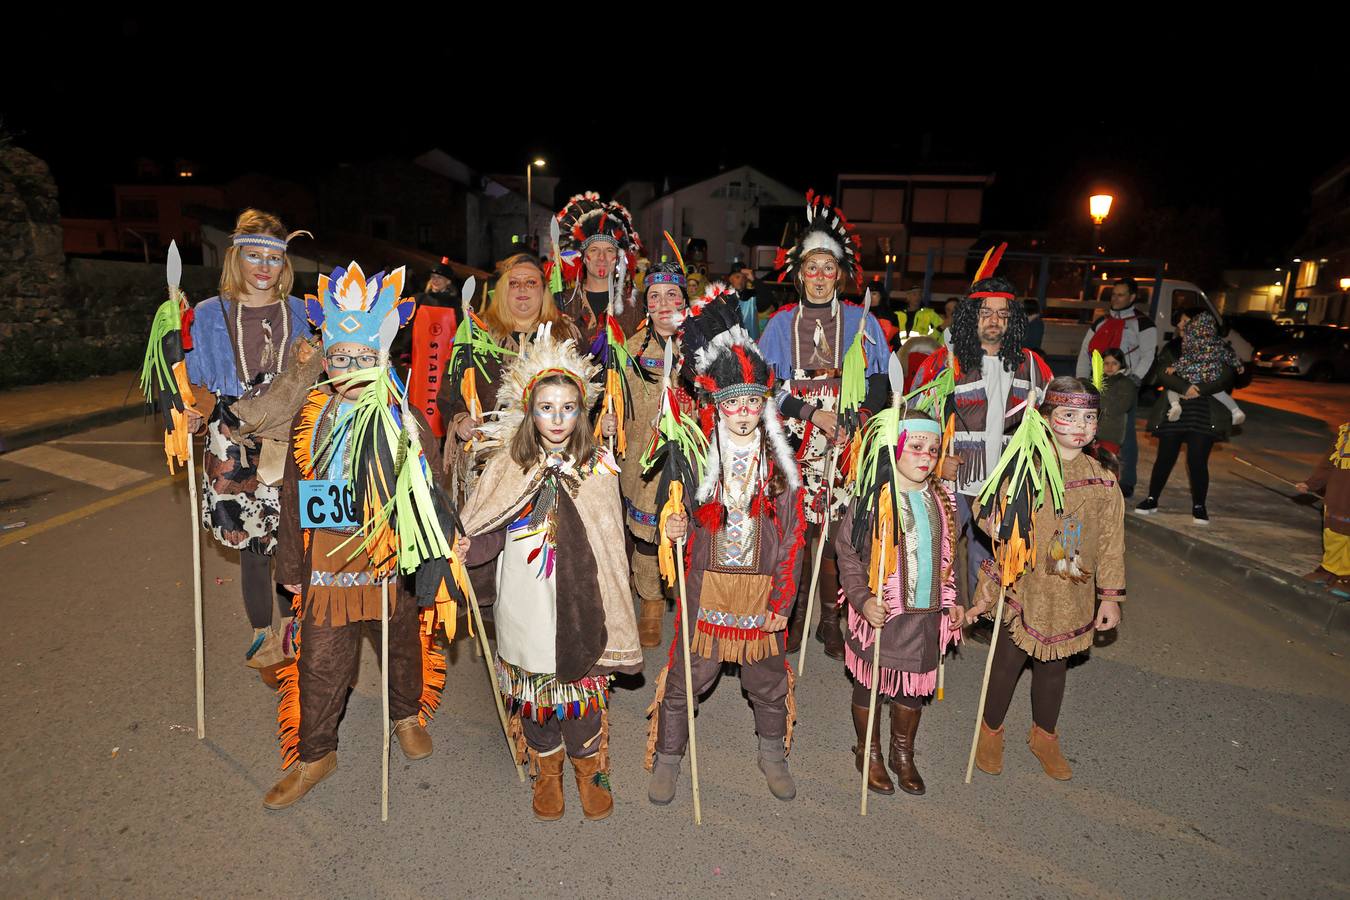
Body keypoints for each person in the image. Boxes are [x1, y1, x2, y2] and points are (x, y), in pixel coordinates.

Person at [265, 262, 444, 809]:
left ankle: (406, 714)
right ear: (327, 359)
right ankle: (316, 753)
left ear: (382, 357)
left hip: (389, 555)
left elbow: (430, 494)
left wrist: (423, 557)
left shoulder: (404, 419)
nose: (348, 369)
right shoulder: (310, 417)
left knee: (401, 647)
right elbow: (293, 497)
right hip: (326, 560)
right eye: (340, 358)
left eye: (362, 359)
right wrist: (293, 572)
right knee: (321, 660)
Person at [457, 326, 642, 822]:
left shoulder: (598, 464)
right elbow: (488, 523)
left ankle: (590, 769)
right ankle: (548, 770)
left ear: (582, 411)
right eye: (546, 407)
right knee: (536, 695)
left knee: (581, 697)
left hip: (582, 600)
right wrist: (468, 544)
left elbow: (611, 540)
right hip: (525, 602)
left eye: (568, 408)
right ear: (529, 411)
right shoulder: (507, 463)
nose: (557, 418)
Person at [646, 293, 805, 804]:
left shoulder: (780, 463)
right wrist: (671, 527)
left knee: (767, 679)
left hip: (761, 594)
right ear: (716, 404)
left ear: (764, 404)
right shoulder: (693, 455)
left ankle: (772, 753)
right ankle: (668, 756)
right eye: (732, 403)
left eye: (752, 402)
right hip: (705, 590)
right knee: (689, 676)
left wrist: (783, 603)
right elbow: (675, 513)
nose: (742, 413)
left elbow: (794, 538)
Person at [969, 376, 1125, 782]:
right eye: (1068, 415)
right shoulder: (1025, 467)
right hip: (1025, 583)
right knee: (1008, 661)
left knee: (1054, 666)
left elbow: (1111, 543)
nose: (1080, 425)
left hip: (1071, 588)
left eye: (1089, 417)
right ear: (1045, 418)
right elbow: (983, 510)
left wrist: (1109, 598)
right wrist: (999, 522)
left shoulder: (1104, 481)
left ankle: (1045, 737)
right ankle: (990, 731)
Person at [758, 191, 889, 658]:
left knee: (838, 533)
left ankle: (829, 620)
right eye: (811, 268)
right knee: (799, 530)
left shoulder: (862, 321)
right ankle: (793, 616)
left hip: (846, 436)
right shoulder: (778, 325)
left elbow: (880, 383)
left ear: (840, 273)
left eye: (827, 268)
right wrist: (812, 413)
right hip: (796, 435)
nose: (819, 277)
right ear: (798, 276)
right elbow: (764, 387)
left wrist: (853, 420)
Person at [185, 208, 312, 686]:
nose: (263, 267)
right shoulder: (206, 314)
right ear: (236, 258)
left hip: (290, 434)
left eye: (273, 259)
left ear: (284, 264)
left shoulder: (302, 312)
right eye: (253, 256)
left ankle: (294, 633)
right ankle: (265, 636)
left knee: (292, 541)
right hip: (232, 437)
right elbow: (190, 383)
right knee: (253, 544)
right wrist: (190, 413)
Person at [908, 252, 1052, 608]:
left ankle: (983, 616)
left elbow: (1050, 425)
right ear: (972, 317)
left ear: (1013, 321)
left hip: (1005, 482)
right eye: (986, 313)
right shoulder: (944, 364)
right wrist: (937, 460)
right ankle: (928, 614)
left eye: (1003, 315)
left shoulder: (1033, 365)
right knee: (934, 549)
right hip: (952, 478)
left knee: (989, 555)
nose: (994, 321)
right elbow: (914, 421)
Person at [835, 409, 962, 796]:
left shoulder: (942, 498)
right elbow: (848, 553)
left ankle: (901, 754)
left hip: (925, 615)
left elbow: (951, 557)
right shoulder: (874, 499)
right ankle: (868, 750)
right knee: (870, 682)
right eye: (917, 447)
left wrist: (954, 601)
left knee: (912, 689)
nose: (926, 456)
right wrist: (861, 598)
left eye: (933, 449)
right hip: (881, 614)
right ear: (896, 449)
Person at [609, 259, 695, 647]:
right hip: (646, 457)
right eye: (655, 296)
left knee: (693, 530)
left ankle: (692, 601)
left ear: (684, 301)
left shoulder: (704, 347)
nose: (663, 303)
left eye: (671, 295)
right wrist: (609, 418)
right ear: (646, 305)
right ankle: (652, 602)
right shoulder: (630, 350)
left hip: (694, 454)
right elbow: (614, 398)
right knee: (646, 533)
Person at [1135, 311, 1237, 524]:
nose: (1180, 323)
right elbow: (1162, 372)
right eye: (1180, 320)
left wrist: (1200, 388)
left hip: (1205, 411)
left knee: (1197, 460)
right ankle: (1152, 498)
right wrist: (1185, 386)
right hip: (1175, 408)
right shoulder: (1173, 347)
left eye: (1185, 320)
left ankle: (1199, 505)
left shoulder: (1219, 347)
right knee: (1165, 457)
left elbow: (1227, 376)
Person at [1076, 277, 1157, 498]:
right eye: (1113, 294)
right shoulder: (1101, 322)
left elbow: (1149, 354)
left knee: (1125, 434)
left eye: (1121, 295)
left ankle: (1126, 480)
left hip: (1124, 386)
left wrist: (1134, 380)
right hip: (1098, 385)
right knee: (1091, 431)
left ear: (1132, 297)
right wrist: (1081, 381)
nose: (1116, 298)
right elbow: (1085, 352)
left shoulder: (1144, 323)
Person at [550, 191, 644, 341]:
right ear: (583, 257)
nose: (602, 257)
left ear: (618, 257)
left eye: (609, 250)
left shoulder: (636, 305)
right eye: (594, 250)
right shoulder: (562, 302)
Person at [1297, 422, 1350, 590]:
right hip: (1338, 492)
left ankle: (1346, 575)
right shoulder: (1346, 431)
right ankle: (1329, 568)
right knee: (1333, 531)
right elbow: (1328, 463)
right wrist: (1311, 484)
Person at [1094, 348, 1133, 455]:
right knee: (1091, 465)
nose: (1110, 367)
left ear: (1121, 364)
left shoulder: (1126, 383)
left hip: (1111, 434)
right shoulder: (1098, 380)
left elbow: (1120, 407)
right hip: (1092, 433)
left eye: (1114, 363)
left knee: (1108, 467)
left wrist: (1098, 398)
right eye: (1106, 363)